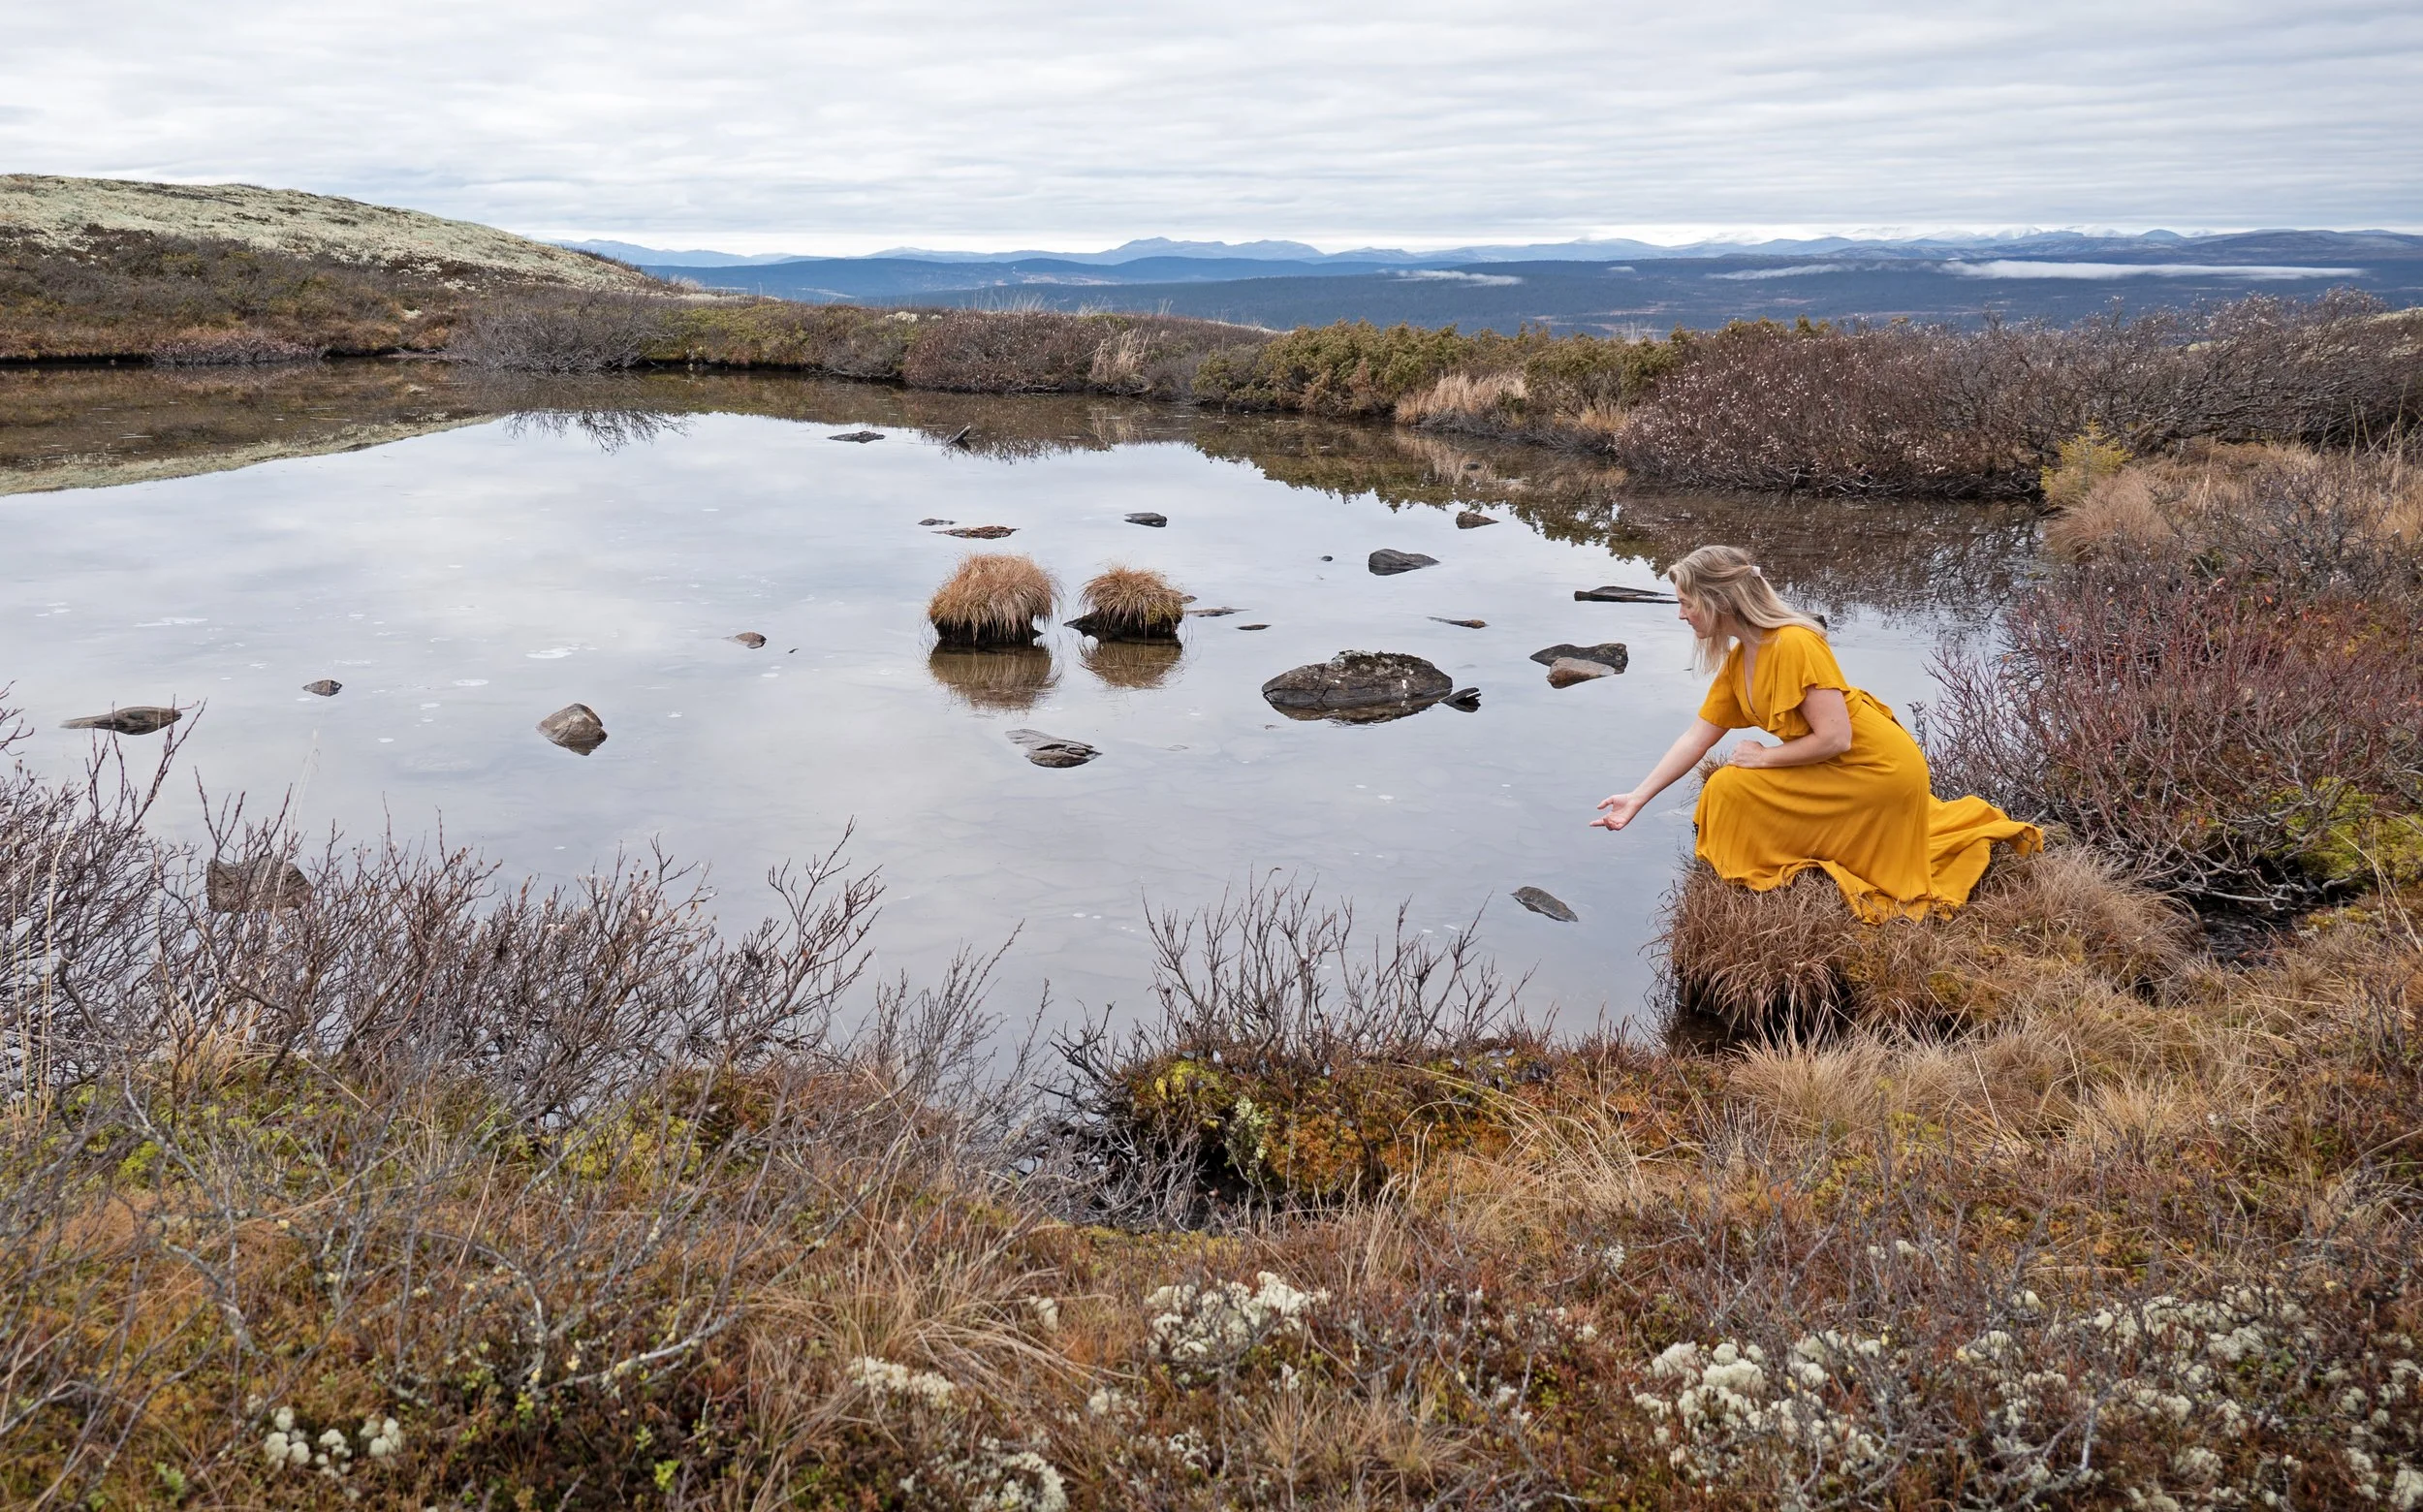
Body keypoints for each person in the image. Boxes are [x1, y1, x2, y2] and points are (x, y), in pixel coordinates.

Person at [1589, 545, 2039, 921]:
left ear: (1719, 601)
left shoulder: (1795, 642)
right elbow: (1696, 738)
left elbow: (1836, 738)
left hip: (1876, 770)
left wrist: (1764, 757)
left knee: (1730, 786)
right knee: (1725, 790)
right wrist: (1638, 798)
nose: (1681, 615)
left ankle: (1784, 869)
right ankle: (1780, 868)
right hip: (1831, 766)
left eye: (1686, 603)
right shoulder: (1740, 658)